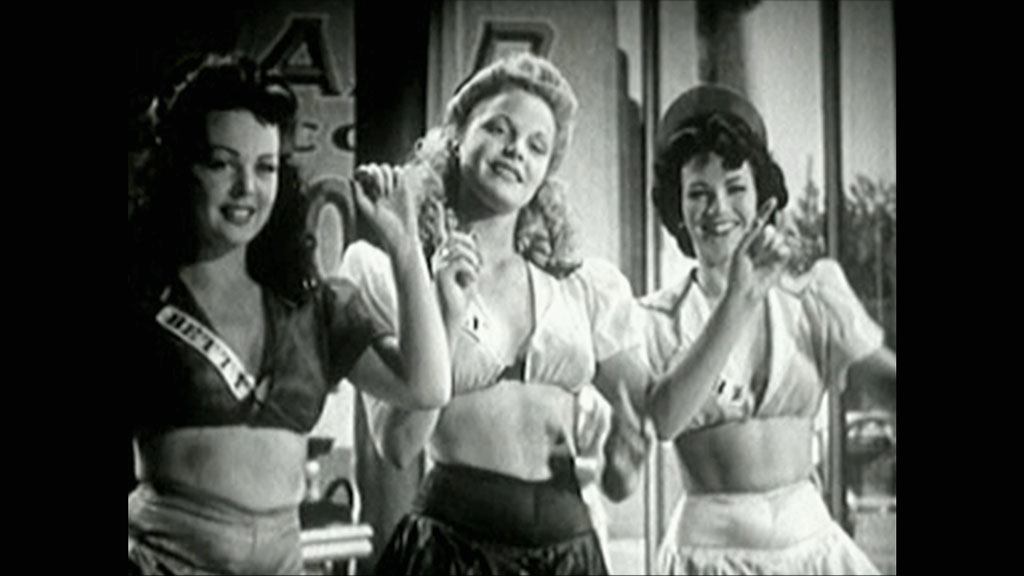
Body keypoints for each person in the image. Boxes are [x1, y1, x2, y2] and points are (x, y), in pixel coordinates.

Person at [127, 54, 452, 575]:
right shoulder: (144, 302)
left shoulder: (314, 308)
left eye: (265, 167)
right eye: (222, 163)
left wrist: (404, 246)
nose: (246, 189)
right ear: (180, 167)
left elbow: (426, 387)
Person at [339, 52, 651, 575]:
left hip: (571, 555)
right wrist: (445, 313)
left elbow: (634, 451)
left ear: (546, 172)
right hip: (453, 555)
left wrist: (624, 467)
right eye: (499, 129)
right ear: (456, 135)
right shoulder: (392, 271)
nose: (515, 151)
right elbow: (398, 446)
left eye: (536, 146)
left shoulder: (579, 287)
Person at [641, 84, 897, 575]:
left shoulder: (814, 298)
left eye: (735, 188)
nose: (719, 208)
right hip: (708, 559)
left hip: (816, 552)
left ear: (762, 197)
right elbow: (664, 421)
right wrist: (738, 298)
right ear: (678, 211)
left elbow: (887, 383)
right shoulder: (657, 318)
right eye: (698, 193)